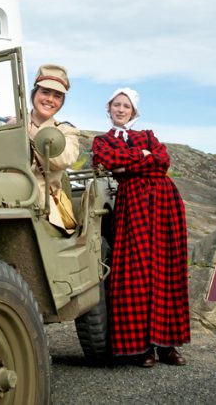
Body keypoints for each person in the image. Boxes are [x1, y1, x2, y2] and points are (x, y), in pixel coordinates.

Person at [91, 88, 190, 368]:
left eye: (126, 106)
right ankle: (142, 347)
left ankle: (166, 346)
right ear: (109, 108)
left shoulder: (149, 135)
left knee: (165, 269)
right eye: (116, 105)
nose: (121, 110)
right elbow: (108, 162)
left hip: (164, 204)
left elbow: (163, 161)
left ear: (133, 110)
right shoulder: (102, 141)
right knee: (137, 272)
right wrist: (142, 157)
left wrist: (133, 161)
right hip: (131, 205)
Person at [27, 64, 81, 232]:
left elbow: (65, 159)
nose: (50, 99)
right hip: (4, 197)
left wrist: (33, 133)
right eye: (45, 92)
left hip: (43, 207)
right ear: (34, 93)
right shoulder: (13, 124)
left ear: (61, 102)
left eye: (57, 96)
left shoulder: (66, 131)